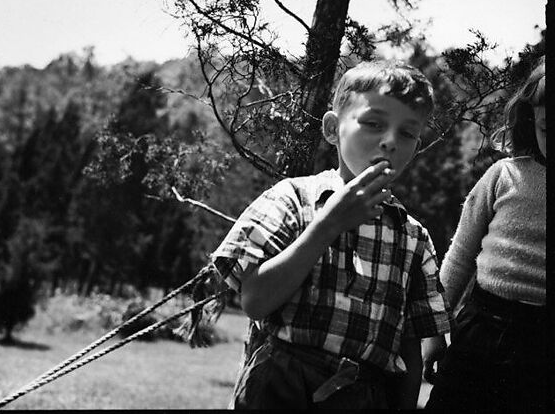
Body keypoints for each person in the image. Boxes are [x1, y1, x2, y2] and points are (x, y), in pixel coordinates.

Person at [212, 60, 453, 409]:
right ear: (332, 128)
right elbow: (254, 301)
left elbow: (409, 351)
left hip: (364, 395)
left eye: (407, 133)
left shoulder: (412, 236)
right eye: (373, 124)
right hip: (280, 384)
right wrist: (328, 224)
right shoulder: (291, 198)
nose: (389, 142)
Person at [424, 56, 546, 411]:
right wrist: (434, 331)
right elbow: (460, 257)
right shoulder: (503, 176)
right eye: (546, 128)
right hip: (480, 329)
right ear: (530, 121)